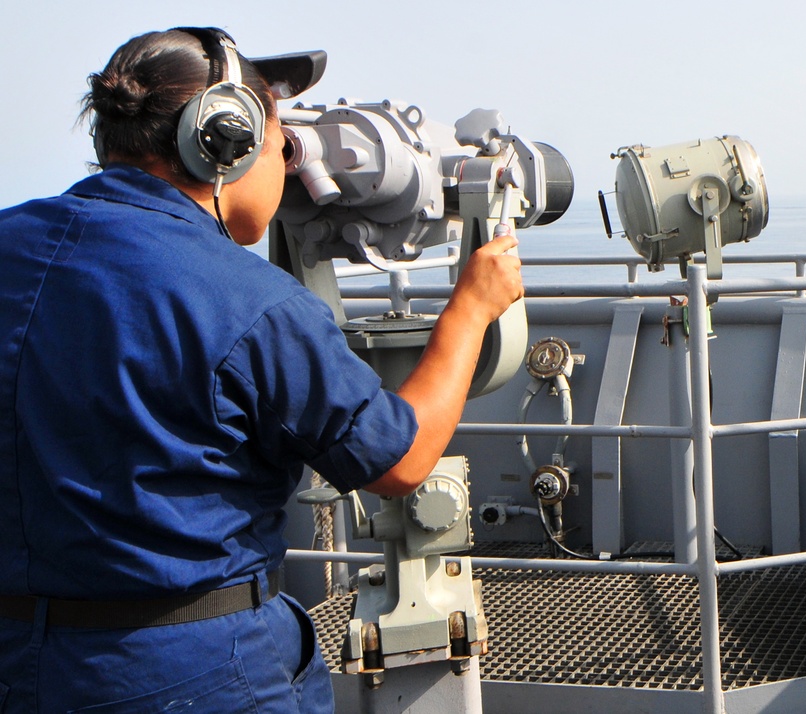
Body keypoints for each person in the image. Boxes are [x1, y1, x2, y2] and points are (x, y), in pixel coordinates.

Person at [0, 27, 522, 713]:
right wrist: (471, 310)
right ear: (225, 141)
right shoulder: (252, 304)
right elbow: (399, 461)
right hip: (195, 669)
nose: (286, 158)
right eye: (280, 137)